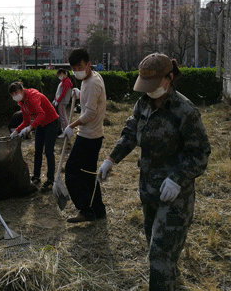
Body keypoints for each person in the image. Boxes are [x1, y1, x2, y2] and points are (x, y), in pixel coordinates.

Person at [97, 53, 211, 290]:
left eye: (153, 84)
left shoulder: (185, 111)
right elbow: (129, 134)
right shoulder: (143, 104)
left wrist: (177, 179)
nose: (148, 90)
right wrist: (111, 159)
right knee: (158, 250)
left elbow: (200, 153)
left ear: (169, 78)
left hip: (175, 197)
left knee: (159, 255)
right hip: (149, 191)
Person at [62, 48, 107, 222]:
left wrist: (71, 126)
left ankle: (85, 210)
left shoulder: (92, 83)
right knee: (88, 174)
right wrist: (81, 95)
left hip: (88, 136)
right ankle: (98, 210)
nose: (76, 71)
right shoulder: (93, 77)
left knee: (72, 172)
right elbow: (94, 100)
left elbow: (90, 114)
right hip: (95, 136)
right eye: (73, 68)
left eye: (79, 66)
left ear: (88, 64)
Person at [9, 81, 59, 192]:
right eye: (12, 94)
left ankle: (50, 180)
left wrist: (31, 127)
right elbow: (26, 120)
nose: (14, 96)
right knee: (37, 151)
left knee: (49, 151)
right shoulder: (22, 102)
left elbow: (42, 114)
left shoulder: (32, 96)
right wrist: (17, 131)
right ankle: (36, 177)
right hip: (40, 124)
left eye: (16, 92)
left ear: (22, 90)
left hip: (51, 122)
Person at [53, 68, 73, 138]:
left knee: (63, 117)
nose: (59, 76)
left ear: (62, 73)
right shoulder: (64, 81)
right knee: (63, 116)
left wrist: (57, 101)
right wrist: (56, 99)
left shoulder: (66, 81)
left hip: (62, 102)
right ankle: (65, 131)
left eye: (59, 75)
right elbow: (58, 93)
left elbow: (63, 93)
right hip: (60, 101)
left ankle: (65, 133)